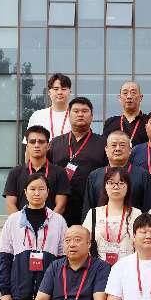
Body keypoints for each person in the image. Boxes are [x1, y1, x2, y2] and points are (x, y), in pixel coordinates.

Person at [0, 173, 69, 300]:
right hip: (19, 289)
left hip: (49, 292)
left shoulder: (58, 221)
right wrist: (4, 291)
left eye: (41, 189)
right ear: (25, 192)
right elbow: (4, 257)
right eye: (32, 189)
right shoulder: (13, 220)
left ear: (48, 192)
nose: (37, 193)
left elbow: (65, 259)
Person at [48, 97, 107, 226]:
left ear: (92, 116)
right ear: (68, 115)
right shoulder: (55, 143)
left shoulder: (103, 143)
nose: (80, 114)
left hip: (91, 204)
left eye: (85, 111)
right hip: (60, 205)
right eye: (76, 111)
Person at [81, 130, 151, 216]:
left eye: (122, 145)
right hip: (101, 223)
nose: (117, 149)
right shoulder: (94, 176)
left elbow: (148, 208)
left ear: (130, 150)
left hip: (133, 222)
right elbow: (88, 209)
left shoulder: (143, 175)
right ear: (106, 150)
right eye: (113, 145)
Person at [4, 125, 70, 215]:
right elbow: (10, 204)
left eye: (41, 142)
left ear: (48, 146)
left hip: (51, 222)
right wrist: (21, 222)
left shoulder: (59, 172)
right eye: (32, 142)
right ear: (27, 146)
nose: (36, 145)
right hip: (22, 222)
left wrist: (49, 222)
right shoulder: (15, 172)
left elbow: (61, 205)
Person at [82, 167, 142, 264]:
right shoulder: (93, 213)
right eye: (111, 182)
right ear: (105, 186)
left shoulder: (136, 214)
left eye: (121, 183)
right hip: (99, 269)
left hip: (128, 267)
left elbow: (141, 245)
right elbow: (84, 242)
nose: (116, 187)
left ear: (128, 187)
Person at [24, 73, 72, 142]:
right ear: (49, 92)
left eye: (63, 89)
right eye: (56, 89)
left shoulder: (77, 116)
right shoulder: (37, 116)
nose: (60, 92)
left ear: (69, 92)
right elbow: (29, 145)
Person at [103, 80, 149, 147]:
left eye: (133, 93)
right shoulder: (110, 122)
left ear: (140, 97)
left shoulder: (149, 122)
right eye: (125, 93)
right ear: (119, 98)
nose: (129, 96)